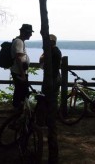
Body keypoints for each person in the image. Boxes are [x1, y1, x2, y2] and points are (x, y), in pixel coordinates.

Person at [39, 34, 62, 164]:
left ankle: (49, 119)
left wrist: (42, 56)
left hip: (51, 79)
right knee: (51, 98)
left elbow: (41, 62)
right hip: (55, 78)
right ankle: (49, 117)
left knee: (48, 98)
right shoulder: (55, 50)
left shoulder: (51, 51)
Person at [10, 24, 33, 110]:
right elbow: (19, 58)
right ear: (24, 32)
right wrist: (23, 75)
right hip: (19, 73)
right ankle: (19, 113)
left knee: (20, 92)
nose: (31, 35)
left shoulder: (19, 41)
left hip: (19, 72)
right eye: (30, 32)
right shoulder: (19, 42)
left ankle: (18, 112)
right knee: (23, 93)